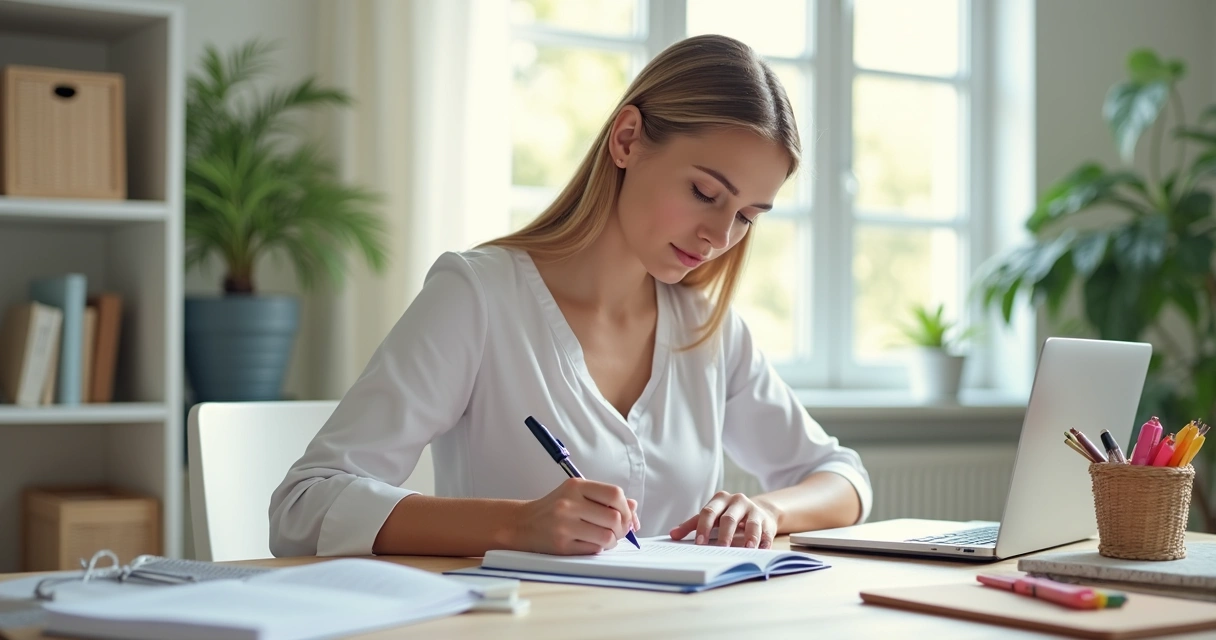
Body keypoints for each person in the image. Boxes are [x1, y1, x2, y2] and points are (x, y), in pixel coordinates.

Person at [269, 34, 872, 559]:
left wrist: (767, 512)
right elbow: (304, 505)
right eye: (704, 192)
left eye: (747, 216)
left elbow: (842, 478)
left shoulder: (708, 328)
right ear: (628, 140)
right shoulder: (478, 297)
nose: (720, 236)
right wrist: (516, 524)